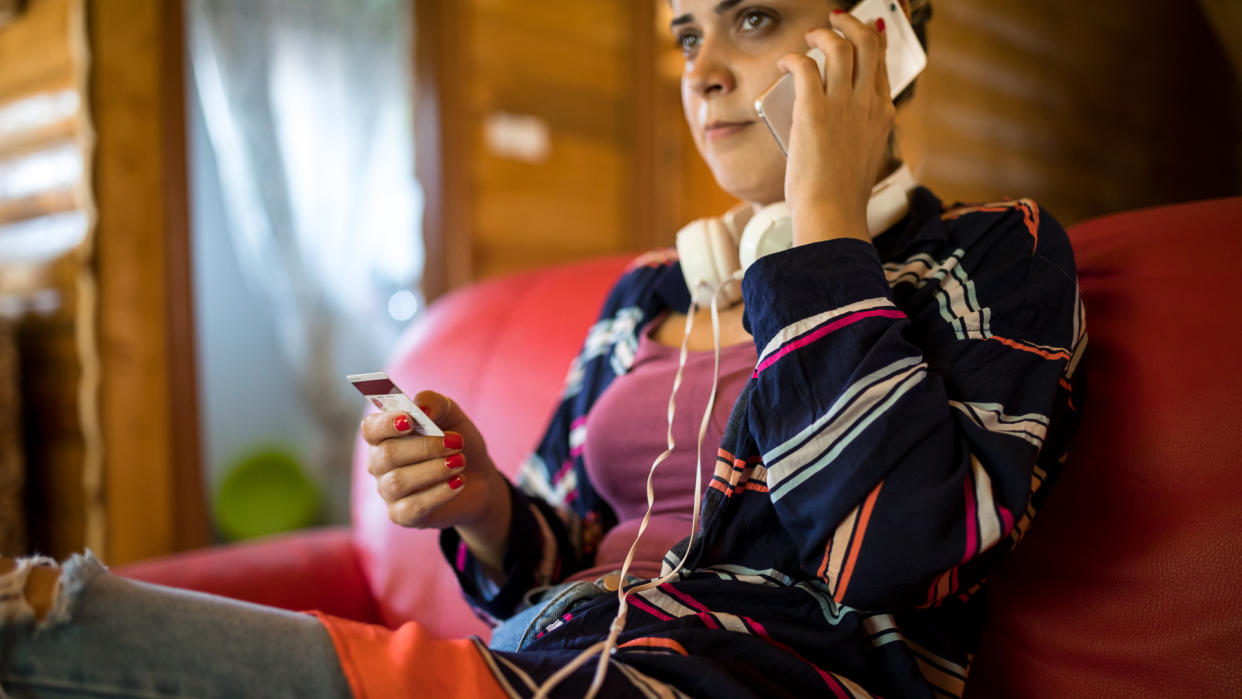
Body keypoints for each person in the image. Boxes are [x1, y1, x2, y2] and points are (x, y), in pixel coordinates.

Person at [1, 0, 1086, 696]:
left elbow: (889, 553)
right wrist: (482, 505)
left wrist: (821, 231)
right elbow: (557, 551)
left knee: (54, 634)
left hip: (745, 683)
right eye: (686, 33)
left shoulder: (996, 257)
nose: (702, 69)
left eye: (750, 19)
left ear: (882, 36)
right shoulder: (644, 296)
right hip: (549, 661)